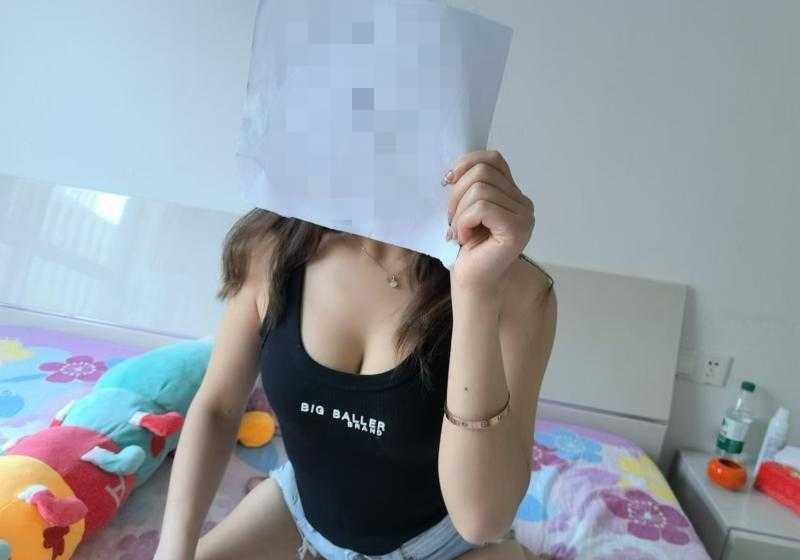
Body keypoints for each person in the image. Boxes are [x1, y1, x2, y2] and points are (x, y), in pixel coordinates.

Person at [153, 150, 557, 560]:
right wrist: (172, 552)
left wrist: (474, 291)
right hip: (302, 513)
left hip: (445, 546)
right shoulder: (271, 247)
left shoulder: (517, 291)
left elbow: (482, 521)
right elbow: (219, 408)